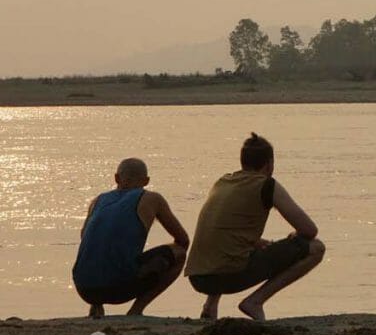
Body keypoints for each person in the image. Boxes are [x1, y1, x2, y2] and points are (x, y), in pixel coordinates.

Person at [184, 133, 325, 321]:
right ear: (269, 164)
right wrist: (294, 237)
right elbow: (309, 230)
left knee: (227, 248)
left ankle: (210, 306)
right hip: (228, 276)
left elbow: (225, 231)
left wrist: (255, 242)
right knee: (315, 248)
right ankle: (255, 301)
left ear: (242, 162)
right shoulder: (266, 185)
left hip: (198, 277)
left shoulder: (223, 181)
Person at [72, 157, 190, 319]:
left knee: (100, 248)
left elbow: (86, 238)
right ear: (146, 181)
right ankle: (136, 310)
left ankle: (96, 306)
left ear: (116, 178)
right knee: (179, 253)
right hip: (119, 287)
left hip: (84, 288)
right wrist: (155, 265)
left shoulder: (97, 201)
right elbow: (183, 240)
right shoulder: (152, 199)